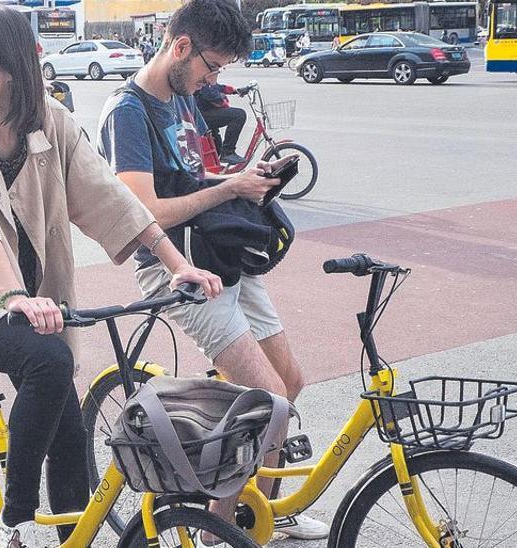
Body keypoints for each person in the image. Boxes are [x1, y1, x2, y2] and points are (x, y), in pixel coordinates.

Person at [0, 8, 223, 548]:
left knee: (72, 433)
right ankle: (15, 518)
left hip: (40, 302)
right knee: (50, 361)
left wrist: (179, 266)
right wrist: (13, 296)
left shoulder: (55, 124)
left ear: (9, 69)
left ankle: (72, 539)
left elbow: (110, 199)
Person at [96, 0, 328, 540]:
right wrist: (230, 188)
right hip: (175, 270)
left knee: (290, 383)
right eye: (213, 65)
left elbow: (200, 175)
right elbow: (144, 212)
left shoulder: (184, 100)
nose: (214, 77)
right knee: (266, 399)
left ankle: (258, 504)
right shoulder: (128, 112)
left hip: (221, 258)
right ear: (181, 48)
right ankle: (220, 533)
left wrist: (247, 176)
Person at [195, 82, 247, 165]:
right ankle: (228, 152)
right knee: (239, 115)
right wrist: (223, 101)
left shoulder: (208, 75)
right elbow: (209, 94)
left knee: (217, 148)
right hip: (201, 116)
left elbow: (217, 86)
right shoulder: (203, 75)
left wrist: (235, 90)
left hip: (204, 112)